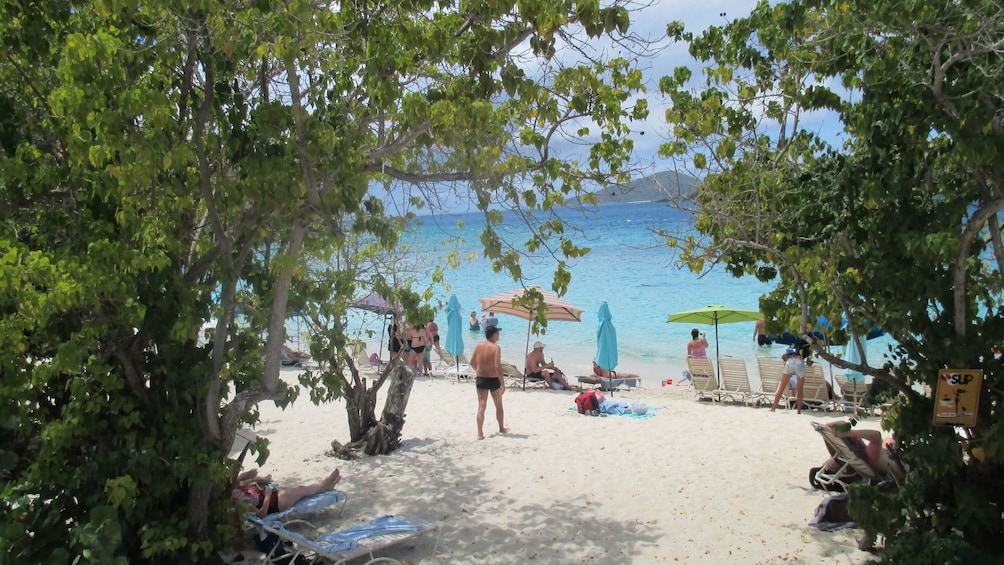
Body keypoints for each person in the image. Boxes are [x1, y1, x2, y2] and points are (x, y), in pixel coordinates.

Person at [233, 467, 341, 518]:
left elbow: (249, 481)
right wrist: (268, 496)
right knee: (302, 490)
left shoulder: (239, 487)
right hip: (275, 503)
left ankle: (326, 487)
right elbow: (261, 514)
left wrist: (257, 480)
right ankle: (325, 482)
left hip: (272, 493)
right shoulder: (243, 502)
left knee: (301, 491)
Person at [469, 326, 509, 440]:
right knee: (499, 405)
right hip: (493, 379)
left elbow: (472, 362)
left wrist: (478, 370)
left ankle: (480, 433)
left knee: (481, 406)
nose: (499, 335)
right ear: (494, 334)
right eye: (498, 333)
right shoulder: (496, 348)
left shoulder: (478, 346)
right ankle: (501, 428)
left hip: (481, 378)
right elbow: (497, 366)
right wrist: (502, 383)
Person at [770, 347, 806, 413]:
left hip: (790, 362)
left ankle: (773, 408)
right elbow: (809, 363)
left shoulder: (793, 344)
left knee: (782, 386)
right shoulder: (808, 345)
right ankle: (798, 411)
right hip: (800, 362)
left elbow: (784, 356)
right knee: (800, 389)